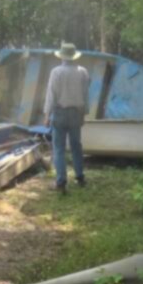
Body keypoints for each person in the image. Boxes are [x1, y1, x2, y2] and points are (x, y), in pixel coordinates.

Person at [45, 42, 90, 194]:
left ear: (62, 56)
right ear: (74, 56)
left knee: (59, 149)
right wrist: (84, 114)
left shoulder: (56, 72)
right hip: (76, 113)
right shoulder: (83, 72)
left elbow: (51, 95)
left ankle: (61, 183)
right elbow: (85, 95)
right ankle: (80, 177)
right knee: (76, 146)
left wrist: (47, 115)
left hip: (60, 113)